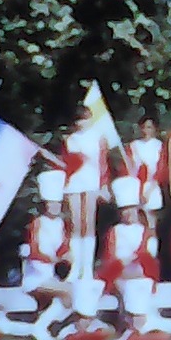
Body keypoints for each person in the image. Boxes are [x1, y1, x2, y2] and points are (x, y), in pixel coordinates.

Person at [19, 169, 73, 340]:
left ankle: (50, 326)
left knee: (72, 292)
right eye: (51, 204)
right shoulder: (37, 223)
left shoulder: (60, 224)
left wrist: (66, 255)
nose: (54, 207)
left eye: (57, 204)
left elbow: (63, 246)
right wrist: (54, 260)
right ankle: (41, 327)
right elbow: (35, 251)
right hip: (36, 275)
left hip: (52, 273)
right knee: (68, 294)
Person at [61, 103, 110, 280]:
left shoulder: (98, 138)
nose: (83, 123)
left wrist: (104, 185)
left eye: (86, 119)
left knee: (88, 222)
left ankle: (87, 268)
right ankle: (75, 268)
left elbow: (103, 163)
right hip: (74, 181)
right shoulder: (70, 139)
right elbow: (67, 163)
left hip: (91, 181)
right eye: (79, 120)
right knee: (75, 223)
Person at [128, 116, 168, 259]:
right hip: (137, 186)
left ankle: (151, 258)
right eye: (144, 127)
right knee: (138, 224)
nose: (146, 130)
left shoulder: (159, 145)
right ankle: (138, 255)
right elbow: (130, 168)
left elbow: (161, 169)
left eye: (150, 127)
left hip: (152, 186)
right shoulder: (134, 145)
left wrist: (149, 190)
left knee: (151, 225)